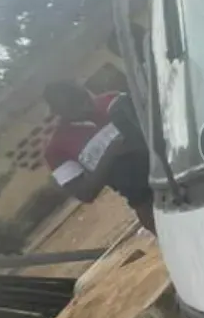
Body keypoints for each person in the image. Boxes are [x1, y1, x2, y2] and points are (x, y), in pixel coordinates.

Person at [42, 80, 156, 235]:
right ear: (59, 112)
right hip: (147, 203)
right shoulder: (56, 150)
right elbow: (85, 193)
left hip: (177, 173)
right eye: (74, 105)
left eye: (85, 98)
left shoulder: (114, 100)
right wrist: (112, 152)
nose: (86, 106)